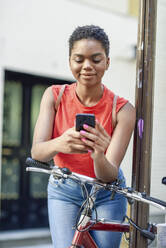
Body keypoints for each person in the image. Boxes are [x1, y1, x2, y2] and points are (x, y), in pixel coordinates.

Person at [31, 25, 136, 248]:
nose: (87, 66)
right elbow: (37, 151)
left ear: (107, 62)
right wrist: (61, 142)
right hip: (64, 189)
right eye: (79, 59)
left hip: (107, 192)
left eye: (96, 59)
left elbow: (109, 174)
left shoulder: (123, 110)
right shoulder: (54, 96)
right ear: (70, 61)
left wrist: (98, 154)